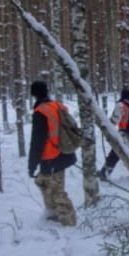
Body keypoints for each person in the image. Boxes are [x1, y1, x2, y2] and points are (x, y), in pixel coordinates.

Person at [28, 81, 77, 226]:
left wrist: (32, 165)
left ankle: (69, 222)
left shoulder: (41, 112)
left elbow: (37, 142)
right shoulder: (57, 105)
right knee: (48, 185)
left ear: (33, 94)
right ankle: (53, 215)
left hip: (51, 157)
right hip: (64, 153)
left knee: (56, 191)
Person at [96, 88, 129, 181]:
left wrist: (105, 126)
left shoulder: (121, 106)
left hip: (125, 136)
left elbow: (113, 121)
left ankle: (105, 173)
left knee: (114, 154)